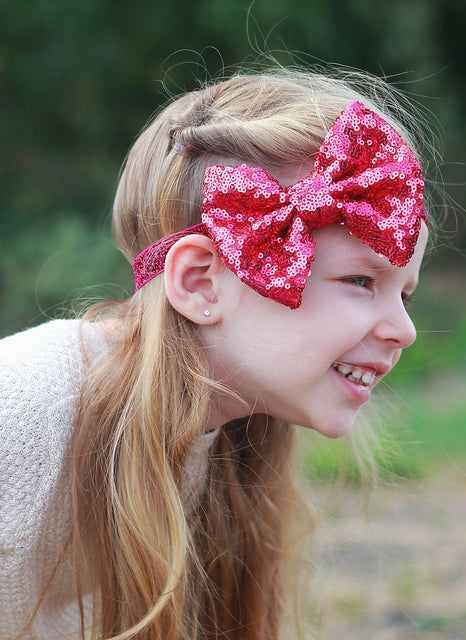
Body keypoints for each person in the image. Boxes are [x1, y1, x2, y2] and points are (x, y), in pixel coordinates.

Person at [0, 67, 430, 640]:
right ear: (202, 283)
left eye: (405, 294)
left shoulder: (230, 440)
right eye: (359, 281)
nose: (405, 330)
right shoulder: (22, 409)